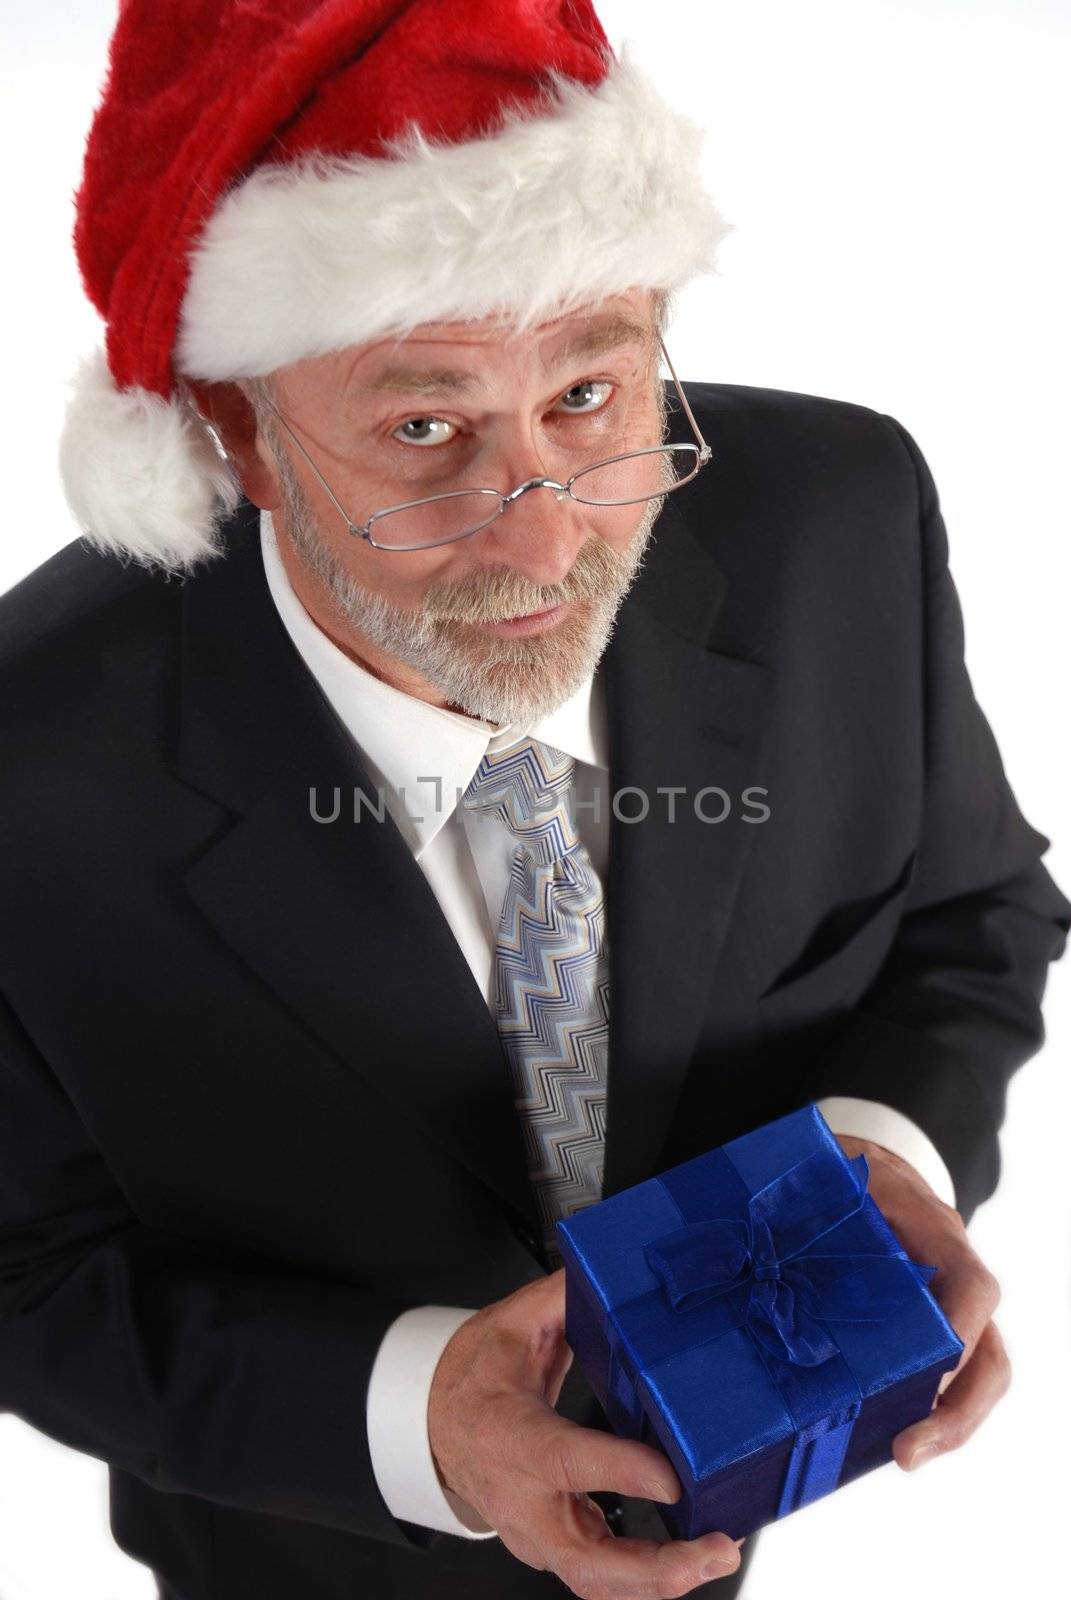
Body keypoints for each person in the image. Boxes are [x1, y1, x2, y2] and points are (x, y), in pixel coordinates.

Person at [1, 3, 1067, 1598]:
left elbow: (966, 912)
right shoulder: (31, 765)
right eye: (425, 429)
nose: (543, 544)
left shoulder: (846, 523)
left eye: (589, 397)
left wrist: (878, 1150)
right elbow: (25, 1269)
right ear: (242, 433)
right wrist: (419, 1416)